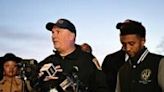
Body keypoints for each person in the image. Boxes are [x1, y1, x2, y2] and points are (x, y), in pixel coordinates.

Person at [31, 18, 109, 92]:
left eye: (58, 32)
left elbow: (103, 88)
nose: (53, 36)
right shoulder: (47, 62)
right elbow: (31, 85)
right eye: (53, 32)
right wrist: (40, 78)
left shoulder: (88, 61)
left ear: (71, 36)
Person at [115, 19, 164, 92]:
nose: (127, 48)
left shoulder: (160, 63)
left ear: (143, 41)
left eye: (131, 43)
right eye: (124, 44)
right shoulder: (122, 70)